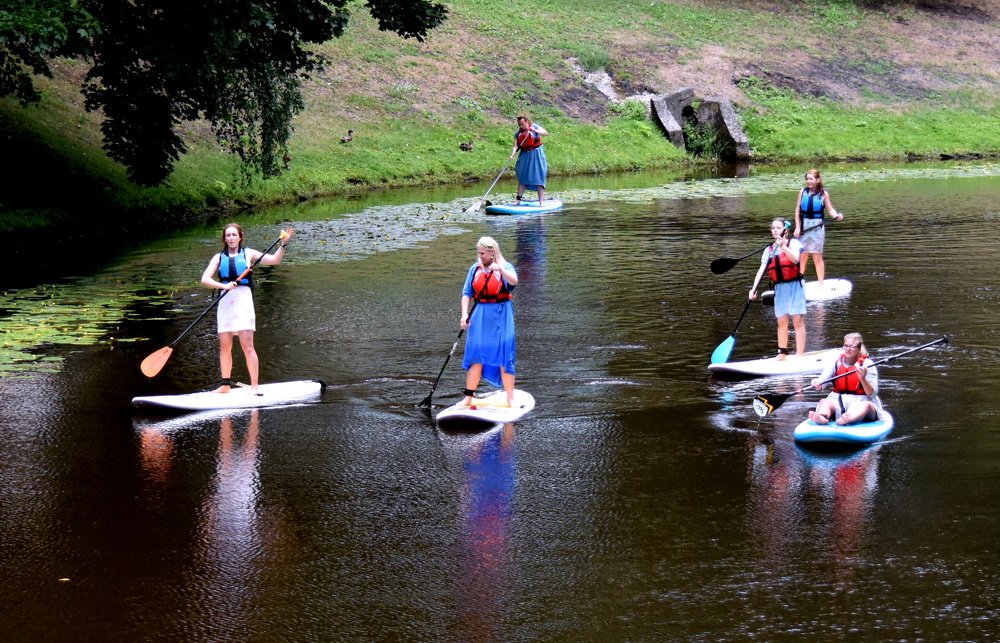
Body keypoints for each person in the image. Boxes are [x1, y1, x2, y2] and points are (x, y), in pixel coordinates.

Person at [200, 223, 294, 394]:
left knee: (247, 345)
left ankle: (254, 387)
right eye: (228, 235)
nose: (231, 238)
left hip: (243, 301)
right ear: (225, 238)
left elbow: (275, 260)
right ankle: (225, 385)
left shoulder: (248, 253)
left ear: (240, 237)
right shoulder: (218, 258)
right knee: (225, 345)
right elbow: (205, 279)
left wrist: (283, 244)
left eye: (234, 235)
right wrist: (223, 285)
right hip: (225, 301)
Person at [459, 236, 519, 407]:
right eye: (479, 253)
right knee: (476, 354)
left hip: (501, 314)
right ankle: (468, 398)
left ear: (493, 252)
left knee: (504, 355)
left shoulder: (506, 267)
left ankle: (510, 398)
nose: (480, 256)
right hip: (479, 315)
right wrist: (464, 315)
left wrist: (500, 270)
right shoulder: (475, 269)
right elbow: (466, 293)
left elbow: (514, 281)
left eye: (483, 253)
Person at [749, 217, 806, 360]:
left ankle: (799, 353)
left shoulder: (794, 243)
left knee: (797, 320)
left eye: (778, 227)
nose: (775, 230)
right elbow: (761, 270)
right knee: (781, 322)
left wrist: (783, 246)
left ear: (785, 230)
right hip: (779, 288)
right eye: (773, 228)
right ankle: (782, 352)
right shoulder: (768, 250)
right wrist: (753, 289)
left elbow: (795, 259)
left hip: (795, 286)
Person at [808, 332, 880, 425]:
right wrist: (817, 383)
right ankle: (822, 417)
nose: (847, 349)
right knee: (824, 402)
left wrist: (862, 379)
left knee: (866, 406)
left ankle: (848, 418)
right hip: (839, 400)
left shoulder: (868, 364)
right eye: (845, 346)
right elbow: (822, 381)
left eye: (851, 346)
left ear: (859, 348)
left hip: (862, 401)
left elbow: (872, 394)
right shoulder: (836, 363)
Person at [793, 168, 843, 287]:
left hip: (817, 228)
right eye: (807, 179)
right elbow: (797, 210)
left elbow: (830, 209)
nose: (808, 181)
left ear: (817, 180)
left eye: (811, 179)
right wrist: (797, 227)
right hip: (804, 227)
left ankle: (821, 284)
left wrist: (837, 215)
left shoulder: (823, 194)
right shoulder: (802, 192)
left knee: (817, 256)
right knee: (802, 255)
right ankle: (799, 281)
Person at [511, 115, 548, 205]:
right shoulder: (517, 133)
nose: (521, 126)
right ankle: (518, 200)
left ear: (527, 121)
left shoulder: (534, 126)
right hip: (525, 155)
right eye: (519, 125)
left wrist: (535, 130)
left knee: (539, 176)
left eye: (522, 124)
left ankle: (541, 202)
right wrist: (512, 154)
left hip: (536, 154)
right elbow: (515, 146)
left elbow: (545, 133)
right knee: (522, 177)